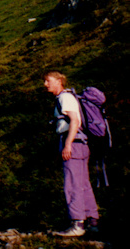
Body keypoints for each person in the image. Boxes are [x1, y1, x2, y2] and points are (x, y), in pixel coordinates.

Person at [44, 71, 99, 237]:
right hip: (81, 143)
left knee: (72, 184)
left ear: (59, 81)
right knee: (83, 183)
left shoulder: (64, 98)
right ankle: (92, 221)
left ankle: (77, 224)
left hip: (72, 142)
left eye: (48, 81)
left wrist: (67, 144)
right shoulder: (69, 97)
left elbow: (74, 120)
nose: (45, 84)